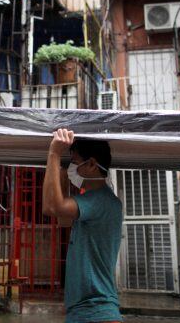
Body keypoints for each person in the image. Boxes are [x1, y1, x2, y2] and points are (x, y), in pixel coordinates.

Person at [43, 129, 123, 323]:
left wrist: (54, 153)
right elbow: (63, 220)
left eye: (74, 162)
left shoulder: (100, 200)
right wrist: (61, 173)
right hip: (85, 311)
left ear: (92, 164)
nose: (72, 168)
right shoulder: (91, 201)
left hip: (96, 311)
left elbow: (51, 207)